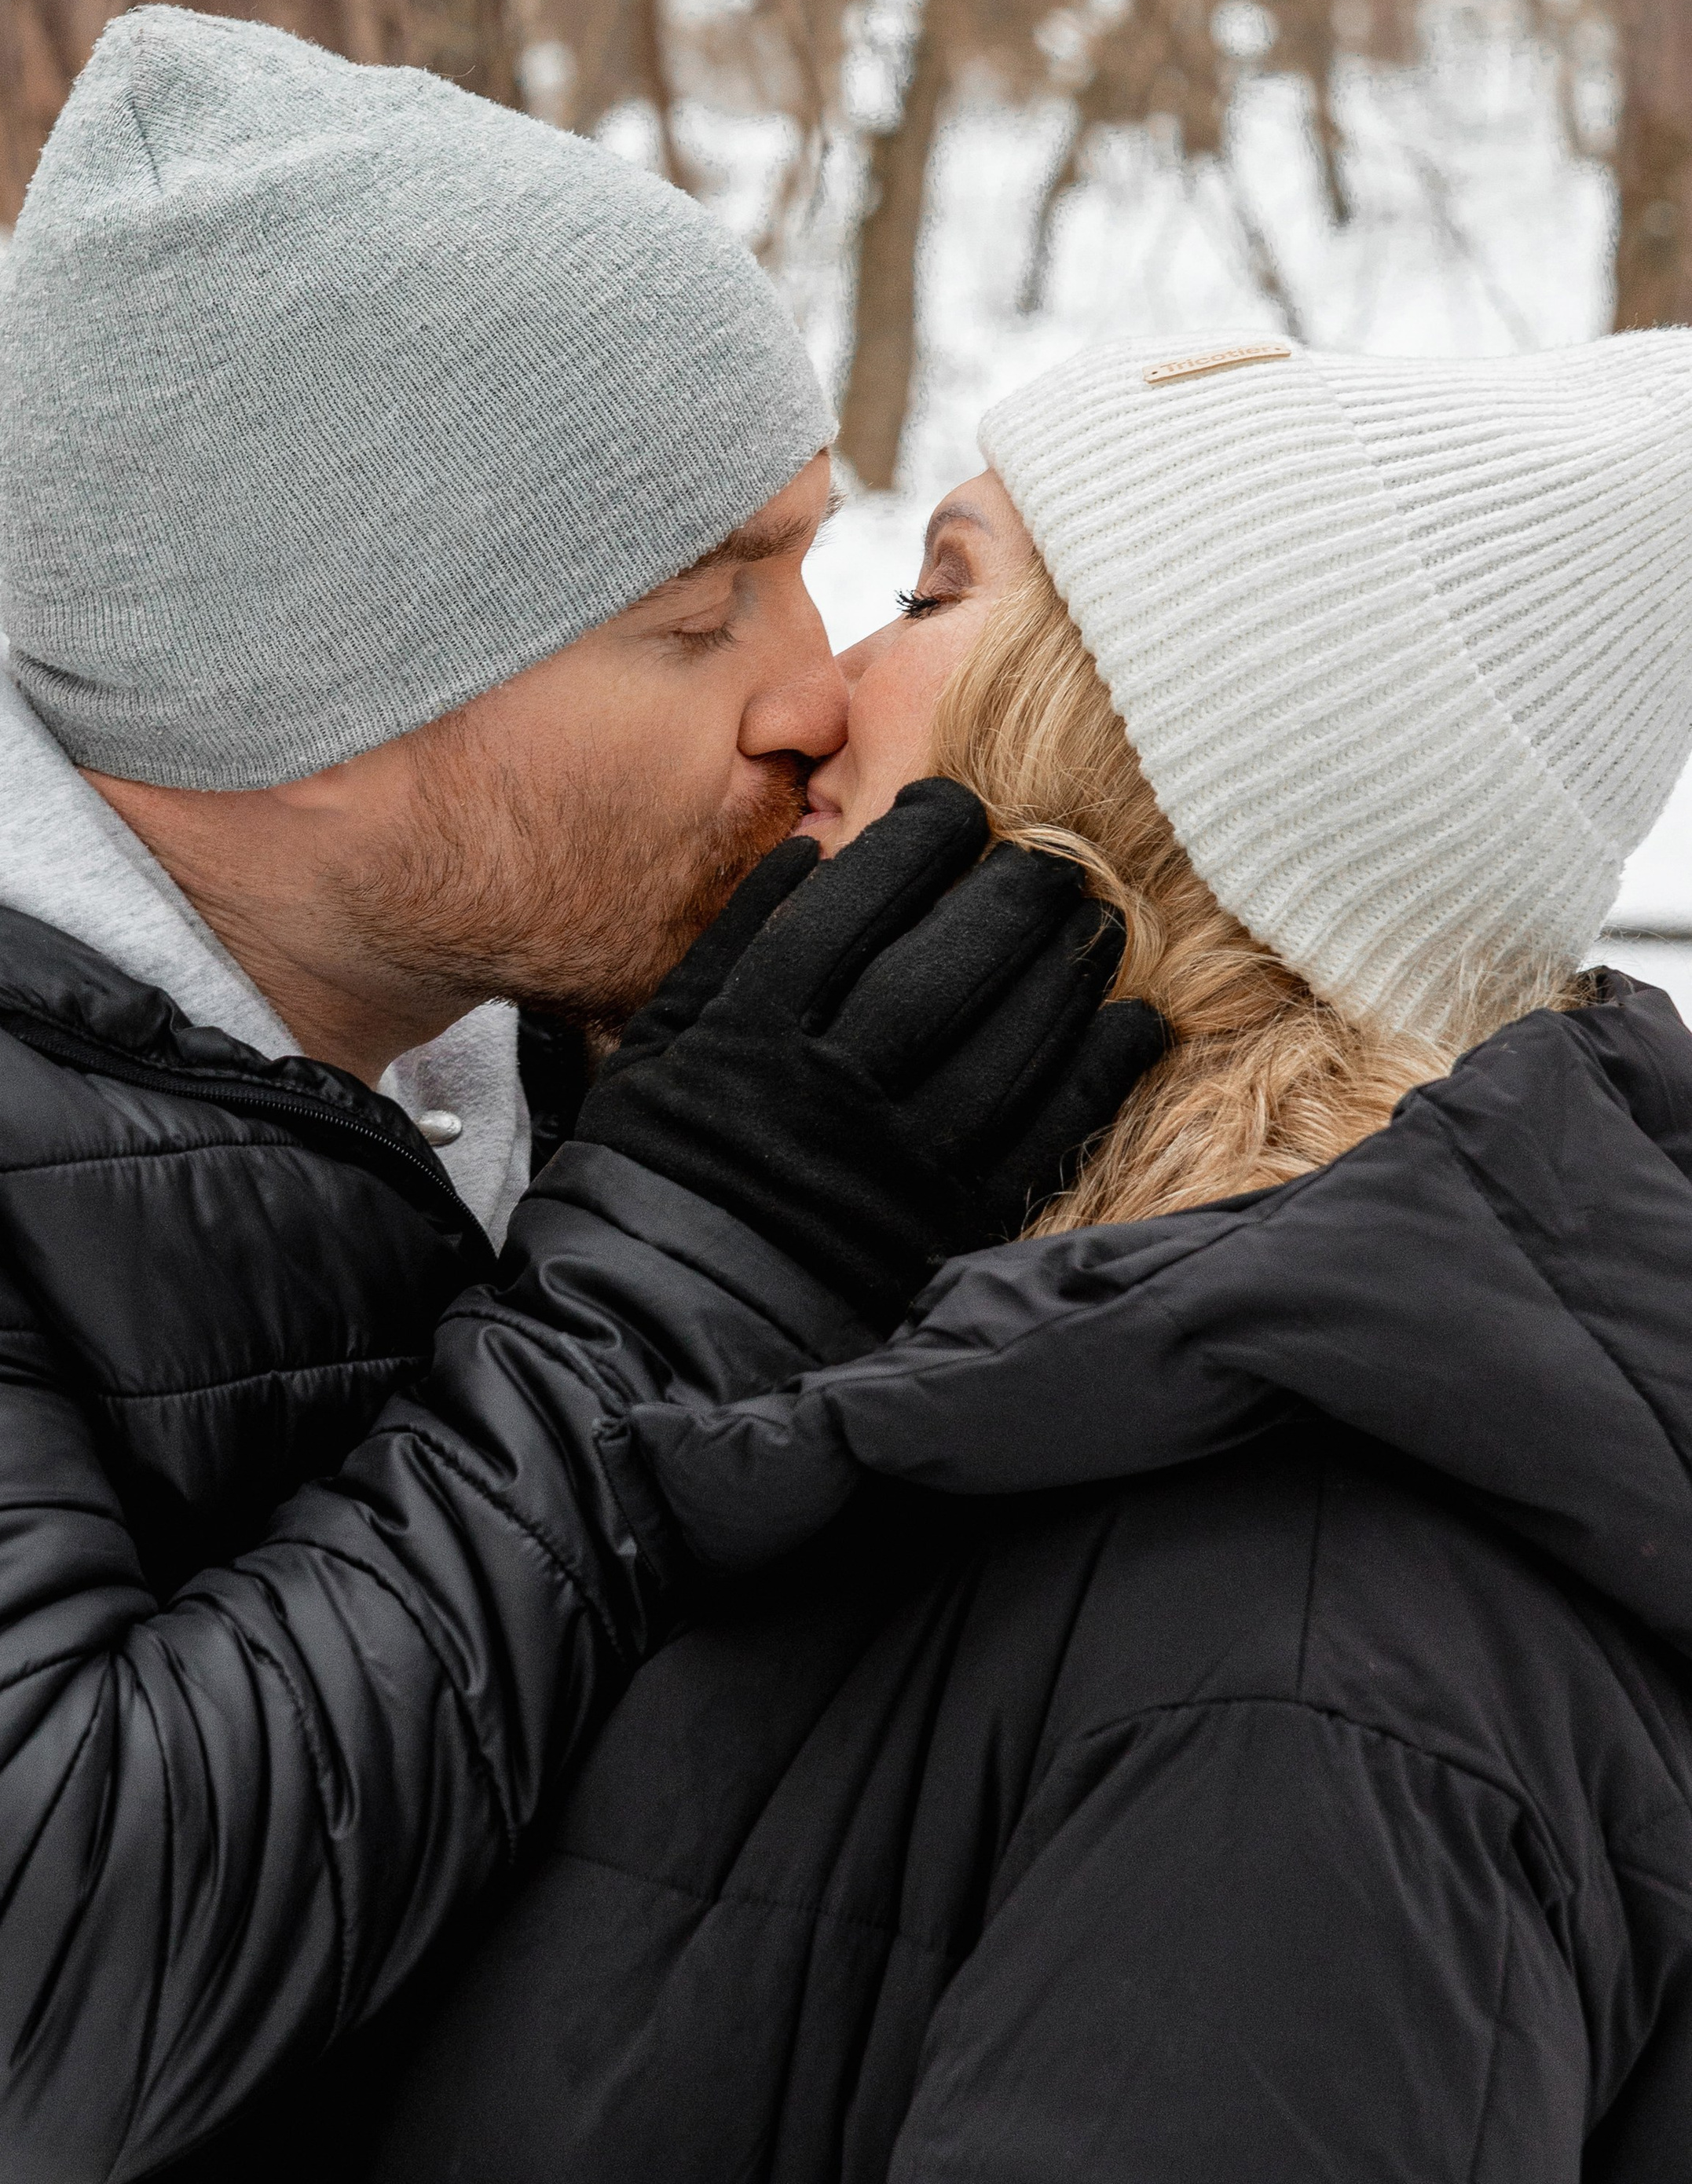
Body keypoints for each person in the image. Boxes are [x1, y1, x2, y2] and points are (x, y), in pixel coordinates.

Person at [0, 10, 1161, 2184]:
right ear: (317, 701)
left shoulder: (536, 993)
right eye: (698, 615)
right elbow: (13, 2006)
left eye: (804, 555)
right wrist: (695, 1275)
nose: (813, 686)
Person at [374, 328, 1692, 2184]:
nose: (813, 698)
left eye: (929, 591)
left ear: (1152, 765)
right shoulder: (1008, 1374)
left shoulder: (1303, 1665)